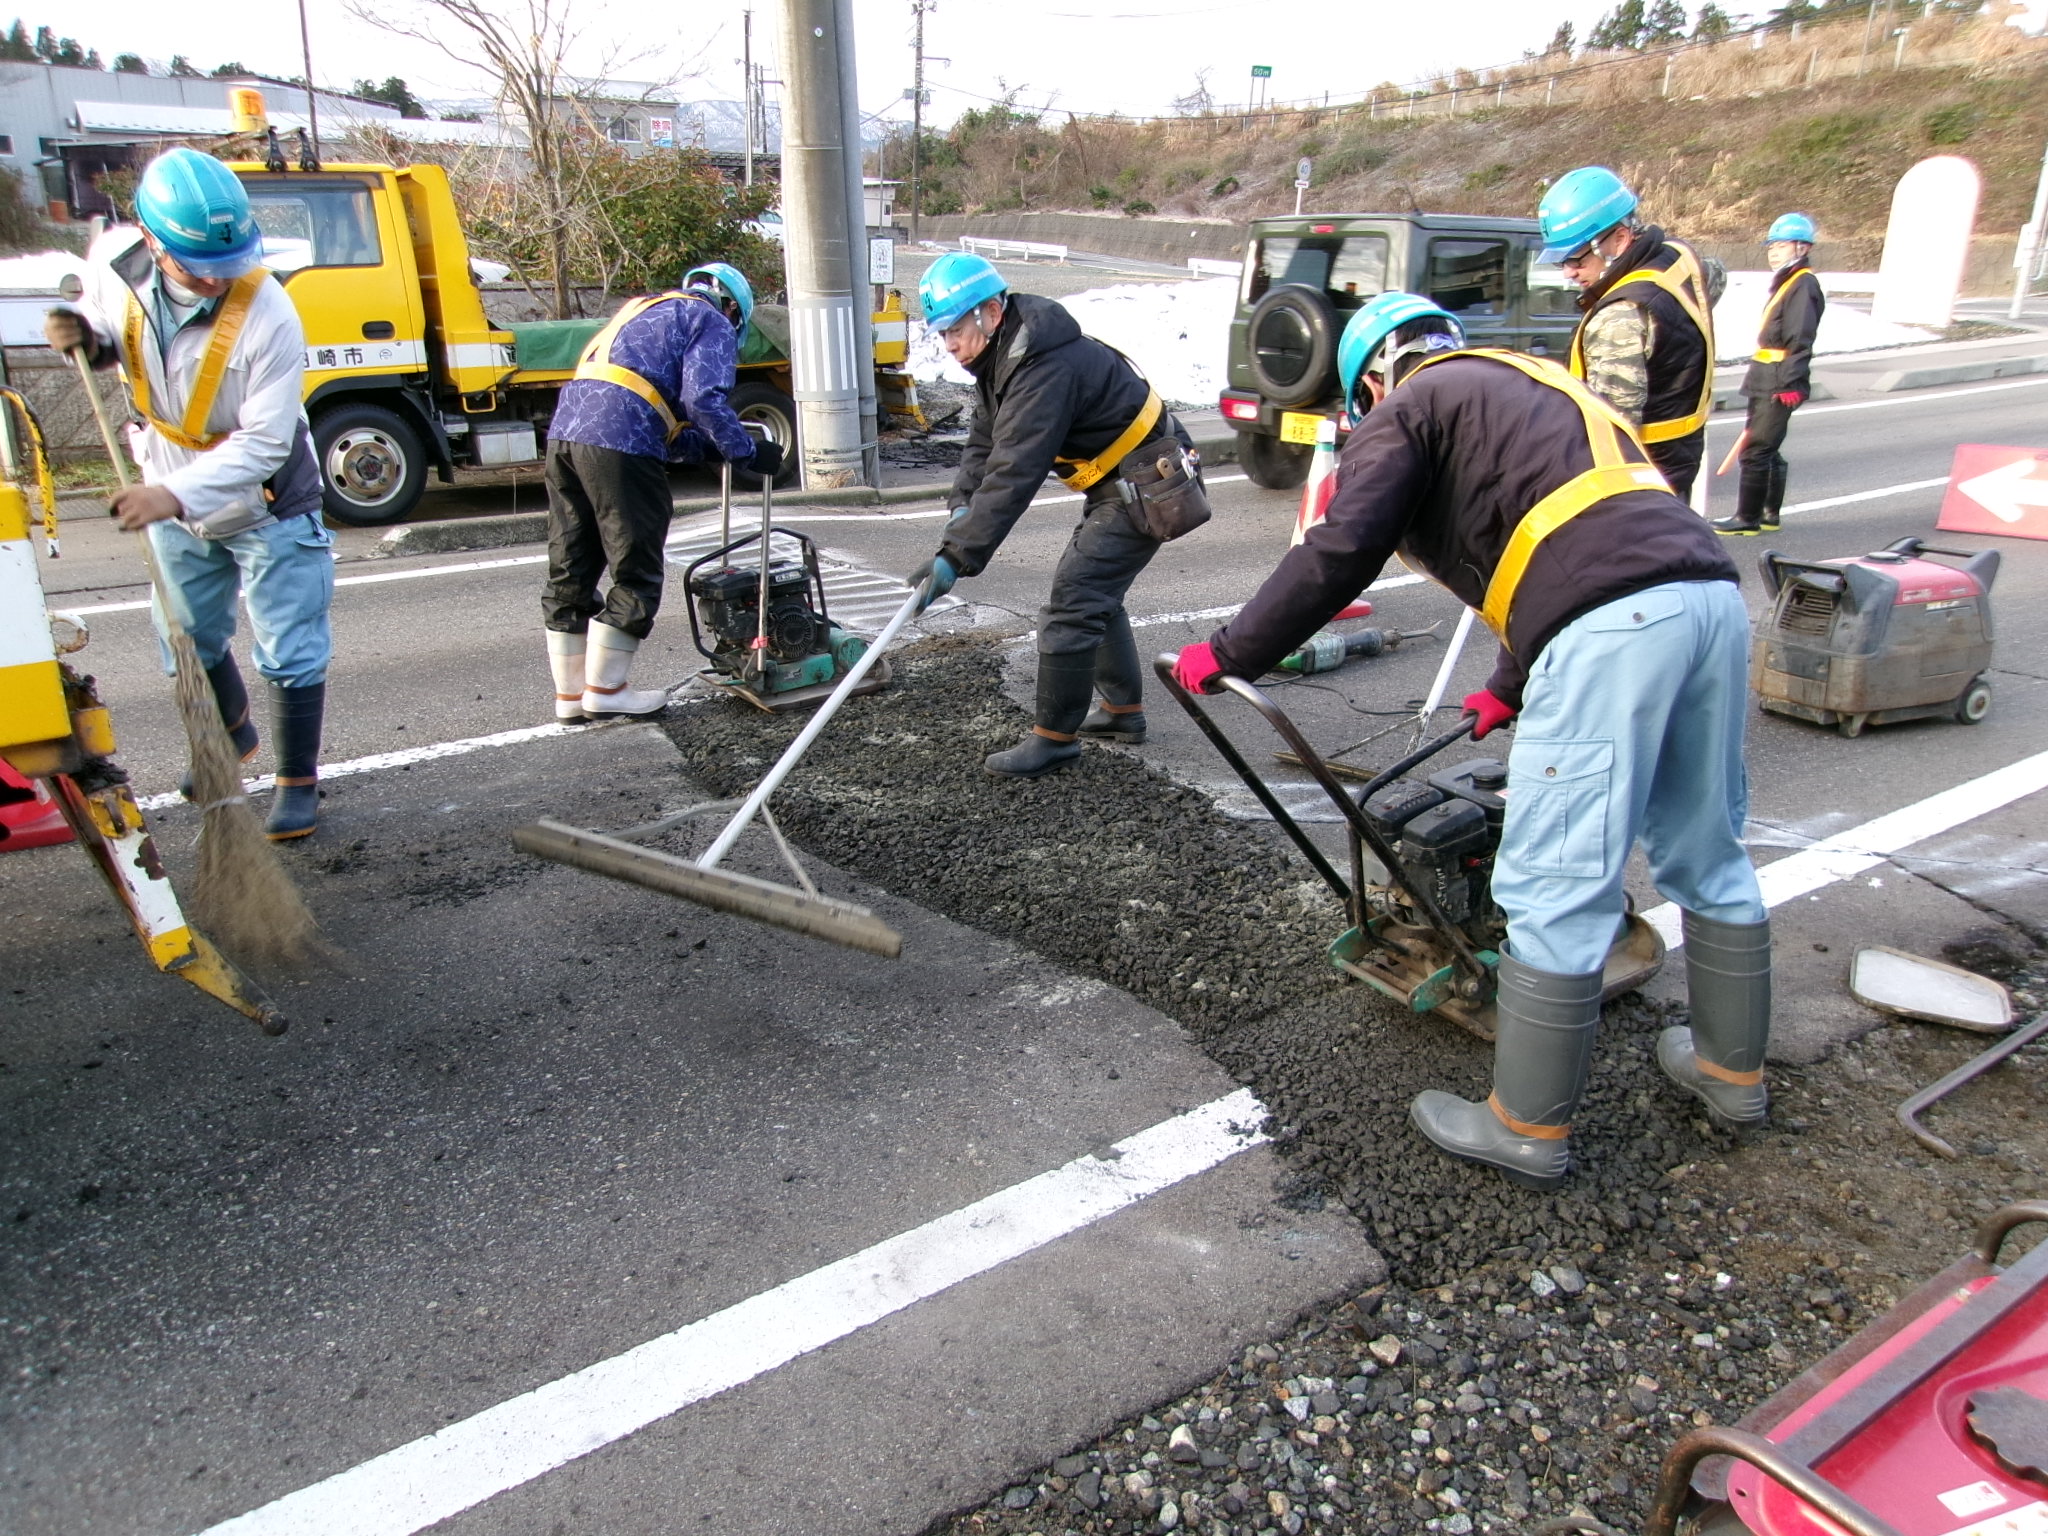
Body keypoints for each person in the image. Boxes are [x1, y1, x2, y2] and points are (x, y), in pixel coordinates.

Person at [1173, 292, 1771, 1190]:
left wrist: (1231, 651)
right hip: (1709, 601)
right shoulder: (1533, 387)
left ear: (1371, 380)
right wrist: (1507, 686)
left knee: (1554, 883)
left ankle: (1525, 1128)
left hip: (1611, 628)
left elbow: (1343, 546)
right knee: (1706, 846)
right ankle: (1732, 1077)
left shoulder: (1410, 403)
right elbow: (1569, 534)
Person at [46, 146, 333, 840]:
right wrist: (86, 335)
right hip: (168, 471)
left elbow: (265, 441)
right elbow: (112, 327)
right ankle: (230, 736)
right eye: (197, 265)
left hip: (266, 494)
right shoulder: (115, 263)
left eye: (226, 264)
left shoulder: (270, 312)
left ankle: (297, 781)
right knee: (184, 636)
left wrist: (173, 496)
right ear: (151, 240)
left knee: (289, 645)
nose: (214, 279)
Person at [906, 251, 1195, 778]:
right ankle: (1123, 712)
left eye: (954, 330)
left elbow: (1015, 470)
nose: (947, 344)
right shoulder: (1003, 359)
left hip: (1149, 480)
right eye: (941, 333)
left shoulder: (1041, 369)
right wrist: (962, 506)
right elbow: (984, 442)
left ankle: (1054, 740)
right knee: (1094, 592)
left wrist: (957, 555)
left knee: (1074, 600)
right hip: (1118, 479)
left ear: (992, 313)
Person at [541, 262, 783, 720]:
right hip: (620, 438)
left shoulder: (642, 311)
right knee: (636, 563)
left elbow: (660, 420)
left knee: (573, 561)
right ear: (733, 309)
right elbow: (703, 400)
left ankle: (570, 696)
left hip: (566, 434)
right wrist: (747, 450)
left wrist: (714, 448)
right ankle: (606, 690)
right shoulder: (710, 318)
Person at [1538, 166, 1721, 501]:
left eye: (1576, 259)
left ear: (1620, 239)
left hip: (1641, 488)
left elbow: (1610, 434)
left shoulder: (1619, 317)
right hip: (1679, 461)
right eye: (1560, 262)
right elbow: (1714, 277)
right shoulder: (1679, 258)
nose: (1568, 273)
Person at [1714, 214, 1825, 536]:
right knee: (1768, 448)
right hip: (1766, 375)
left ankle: (1747, 518)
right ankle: (1768, 513)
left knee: (1757, 449)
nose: (1773, 252)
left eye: (1781, 246)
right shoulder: (1789, 281)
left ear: (1802, 247)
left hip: (1778, 379)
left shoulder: (1803, 284)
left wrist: (1790, 382)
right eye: (1771, 247)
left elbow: (1800, 337)